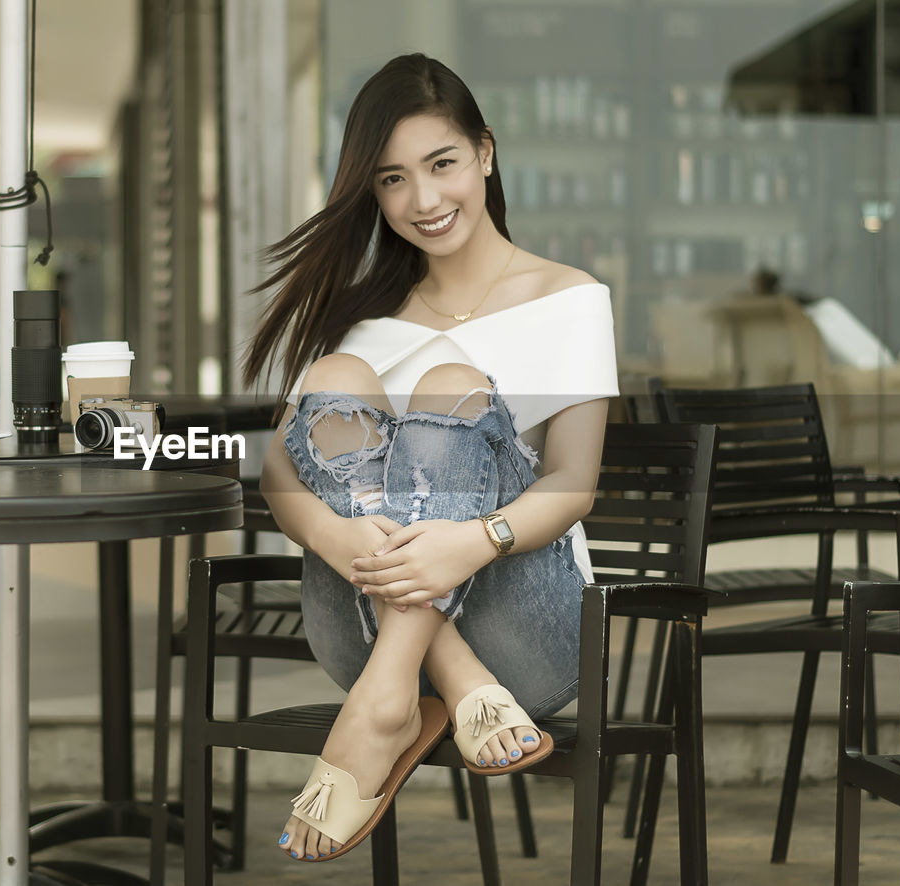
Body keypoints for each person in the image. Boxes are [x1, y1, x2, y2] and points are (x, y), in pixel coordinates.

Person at [242, 53, 618, 862]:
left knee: (450, 383)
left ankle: (387, 709)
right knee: (340, 378)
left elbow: (573, 484)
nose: (424, 200)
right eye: (392, 179)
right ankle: (418, 681)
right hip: (360, 626)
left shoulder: (571, 299)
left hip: (524, 637)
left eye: (441, 164)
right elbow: (277, 474)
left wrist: (472, 540)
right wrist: (333, 535)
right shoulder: (357, 316)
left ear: (485, 152)